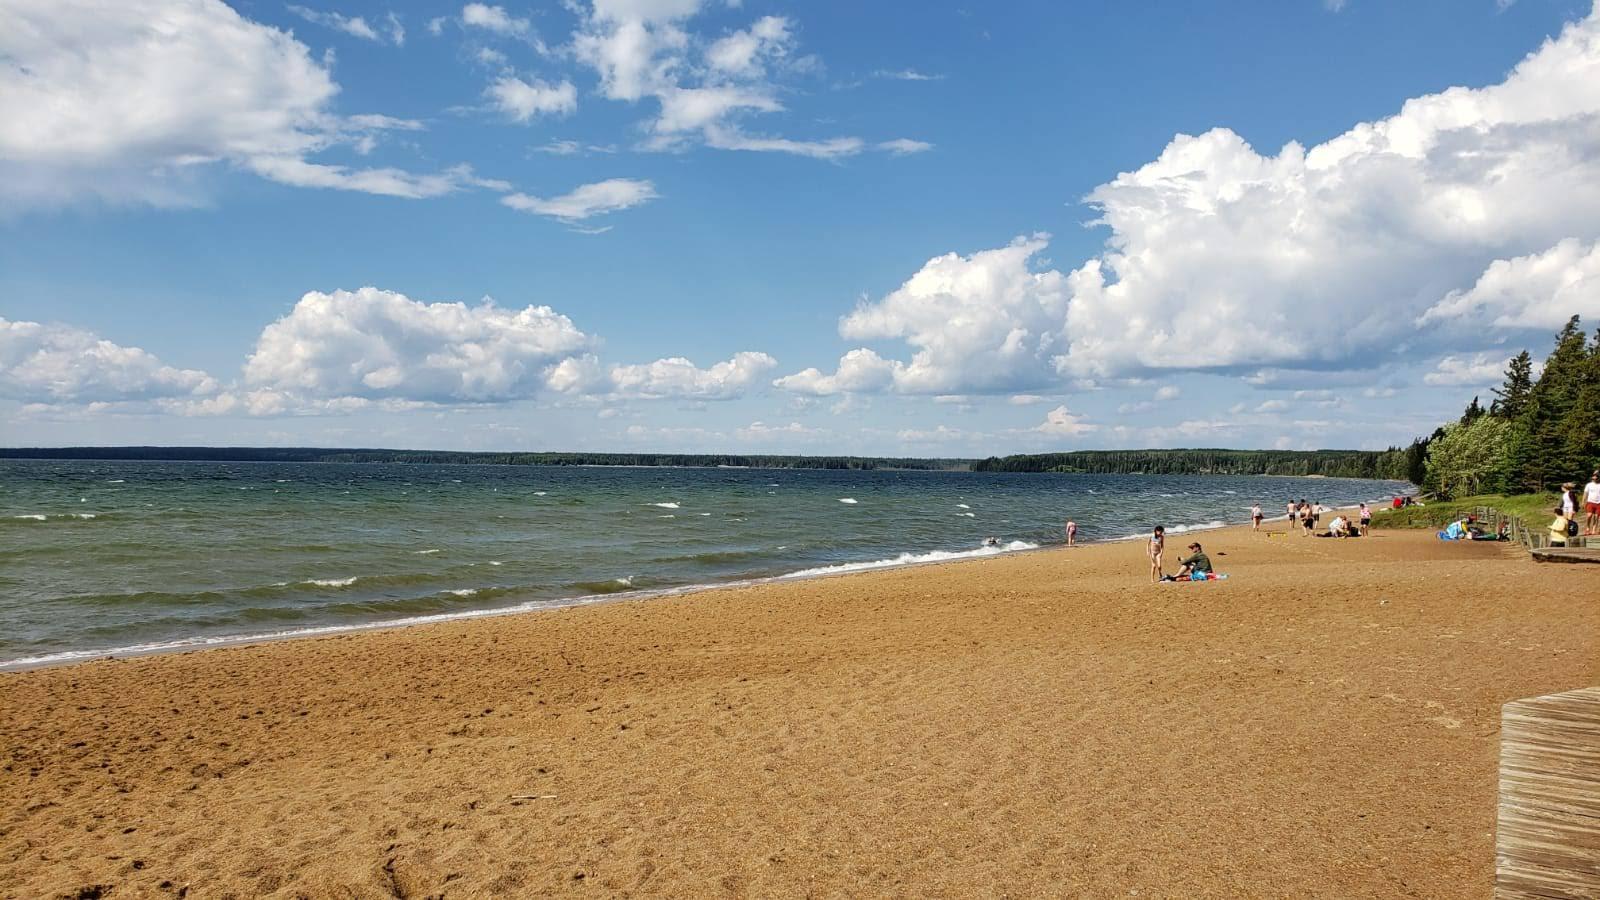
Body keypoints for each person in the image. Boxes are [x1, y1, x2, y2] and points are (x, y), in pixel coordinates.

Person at [1584, 472, 1600, 536]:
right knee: (1589, 516)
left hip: (1598, 503)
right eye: (1593, 478)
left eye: (1596, 478)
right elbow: (1585, 493)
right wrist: (1583, 501)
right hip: (1590, 502)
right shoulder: (1589, 485)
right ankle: (1587, 528)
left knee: (1596, 517)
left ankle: (1593, 530)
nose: (1594, 479)